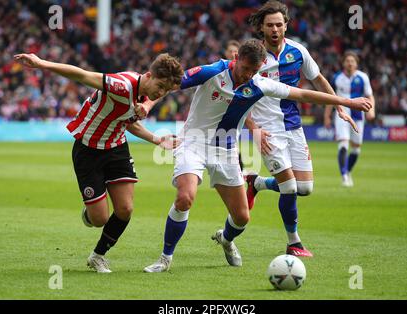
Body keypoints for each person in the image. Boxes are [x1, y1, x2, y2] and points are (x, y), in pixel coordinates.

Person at [143, 39, 372, 272]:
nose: (248, 76)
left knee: (242, 218)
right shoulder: (213, 71)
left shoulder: (261, 84)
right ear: (235, 60)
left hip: (226, 150)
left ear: (262, 66)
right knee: (185, 197)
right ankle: (165, 258)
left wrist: (346, 102)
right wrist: (147, 104)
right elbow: (172, 83)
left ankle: (227, 239)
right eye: (245, 69)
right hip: (193, 142)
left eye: (254, 71)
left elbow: (302, 94)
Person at [14, 52, 184, 273]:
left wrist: (157, 139)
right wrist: (41, 63)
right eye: (160, 86)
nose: (160, 93)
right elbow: (82, 75)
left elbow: (127, 122)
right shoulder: (121, 85)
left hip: (116, 148)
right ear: (149, 75)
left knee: (125, 209)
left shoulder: (143, 96)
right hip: (88, 150)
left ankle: (97, 256)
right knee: (100, 218)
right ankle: (90, 212)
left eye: (165, 91)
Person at [244, 0, 361, 257]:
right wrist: (253, 127)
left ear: (286, 25)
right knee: (289, 188)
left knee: (305, 188)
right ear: (261, 29)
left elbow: (317, 78)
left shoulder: (298, 51)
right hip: (267, 130)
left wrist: (339, 107)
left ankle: (256, 182)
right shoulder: (254, 57)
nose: (274, 29)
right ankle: (293, 242)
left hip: (293, 126)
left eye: (278, 24)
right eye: (269, 25)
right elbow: (239, 95)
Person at [324, 51, 375, 187]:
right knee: (343, 144)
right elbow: (330, 98)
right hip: (342, 115)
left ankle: (347, 171)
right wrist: (327, 116)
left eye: (352, 61)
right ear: (343, 63)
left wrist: (371, 111)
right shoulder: (336, 78)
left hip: (358, 116)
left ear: (356, 64)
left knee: (356, 149)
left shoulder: (363, 77)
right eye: (347, 61)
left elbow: (370, 96)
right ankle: (344, 176)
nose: (350, 63)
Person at [224, 40, 246, 174]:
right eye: (230, 51)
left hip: (234, 120)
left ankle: (241, 177)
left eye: (235, 51)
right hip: (215, 120)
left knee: (233, 149)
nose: (232, 54)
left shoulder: (246, 76)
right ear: (226, 53)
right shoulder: (216, 72)